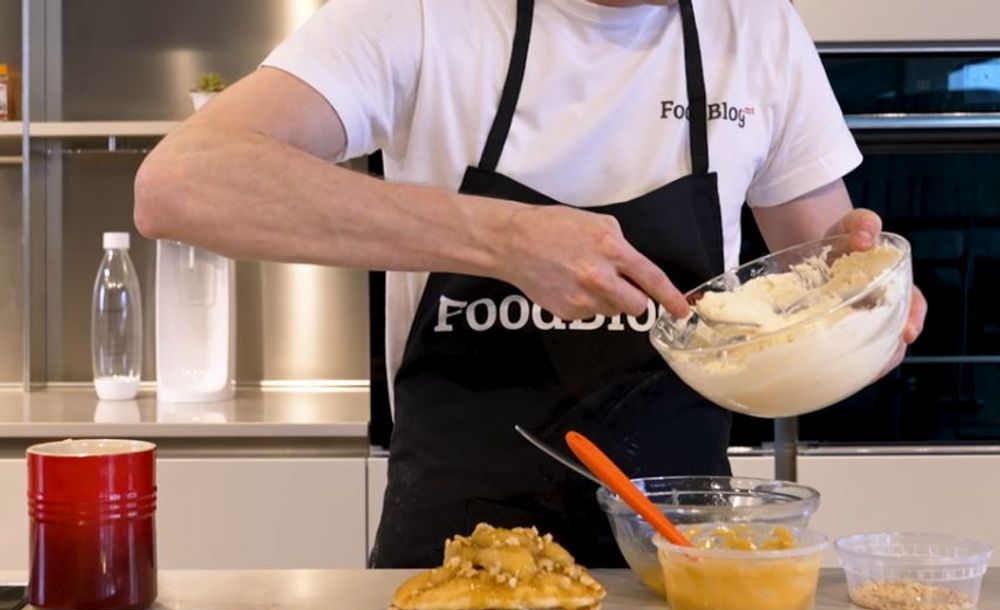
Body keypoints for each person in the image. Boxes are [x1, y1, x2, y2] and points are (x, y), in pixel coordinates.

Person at [134, 0, 927, 568]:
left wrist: (864, 303)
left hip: (678, 559)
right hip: (453, 563)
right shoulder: (416, 16)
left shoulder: (754, 25)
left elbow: (817, 265)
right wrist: (501, 237)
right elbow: (180, 186)